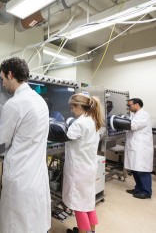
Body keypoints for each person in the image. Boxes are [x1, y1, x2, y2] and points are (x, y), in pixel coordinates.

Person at [0, 57, 51, 233]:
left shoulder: (15, 103)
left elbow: (1, 141)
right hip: (36, 174)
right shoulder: (40, 101)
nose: (3, 83)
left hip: (20, 177)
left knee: (16, 225)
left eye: (3, 78)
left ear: (10, 74)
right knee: (33, 225)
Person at [62, 93, 104, 233]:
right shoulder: (93, 120)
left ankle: (83, 231)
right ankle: (91, 230)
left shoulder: (79, 123)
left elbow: (65, 136)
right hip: (88, 167)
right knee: (88, 202)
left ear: (79, 106)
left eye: (72, 107)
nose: (71, 110)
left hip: (78, 170)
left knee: (78, 204)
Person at [124, 98, 153, 199]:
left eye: (130, 105)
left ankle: (146, 191)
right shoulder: (135, 115)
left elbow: (133, 125)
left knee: (142, 170)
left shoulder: (143, 114)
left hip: (142, 148)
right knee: (135, 169)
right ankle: (138, 188)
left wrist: (116, 121)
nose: (129, 107)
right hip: (135, 146)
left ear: (137, 105)